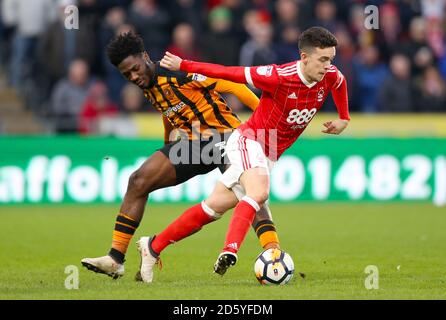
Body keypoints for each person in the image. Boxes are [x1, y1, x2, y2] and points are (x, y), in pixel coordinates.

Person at [133, 26, 350, 281]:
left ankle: (152, 247)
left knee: (212, 208)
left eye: (331, 59)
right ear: (304, 57)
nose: (328, 66)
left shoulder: (330, 74)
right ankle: (230, 250)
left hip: (269, 153)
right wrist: (184, 64)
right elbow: (230, 73)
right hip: (250, 141)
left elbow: (340, 82)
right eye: (323, 59)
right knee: (259, 193)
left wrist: (343, 118)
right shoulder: (279, 75)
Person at [81, 32, 281, 279]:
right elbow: (169, 110)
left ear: (145, 57)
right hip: (194, 145)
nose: (134, 77)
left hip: (228, 139)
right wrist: (167, 143)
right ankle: (115, 259)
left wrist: (262, 117)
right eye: (127, 75)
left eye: (135, 69)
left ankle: (273, 253)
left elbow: (233, 85)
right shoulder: (149, 85)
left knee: (251, 194)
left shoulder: (176, 72)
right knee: (138, 181)